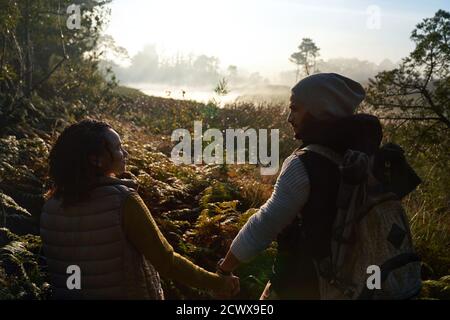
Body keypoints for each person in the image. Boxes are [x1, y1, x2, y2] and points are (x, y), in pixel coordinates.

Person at [217, 73, 383, 299]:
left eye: (295, 108)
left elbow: (265, 224)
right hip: (352, 285)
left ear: (320, 110)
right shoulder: (365, 159)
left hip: (301, 284)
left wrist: (225, 268)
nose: (289, 117)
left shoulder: (304, 163)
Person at [40, 119, 239, 299]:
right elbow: (166, 262)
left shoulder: (50, 207)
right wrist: (217, 282)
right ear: (96, 159)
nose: (124, 153)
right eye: (118, 148)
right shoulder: (123, 201)